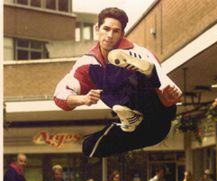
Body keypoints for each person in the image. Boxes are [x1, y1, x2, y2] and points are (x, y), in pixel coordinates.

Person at [54, 7, 182, 158]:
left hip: (156, 112)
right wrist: (84, 99)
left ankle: (141, 77)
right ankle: (131, 117)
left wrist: (171, 96)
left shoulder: (142, 53)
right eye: (106, 29)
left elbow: (168, 91)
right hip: (136, 128)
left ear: (122, 34)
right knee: (88, 147)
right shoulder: (87, 64)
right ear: (97, 28)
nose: (109, 35)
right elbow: (59, 96)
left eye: (115, 31)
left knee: (145, 81)